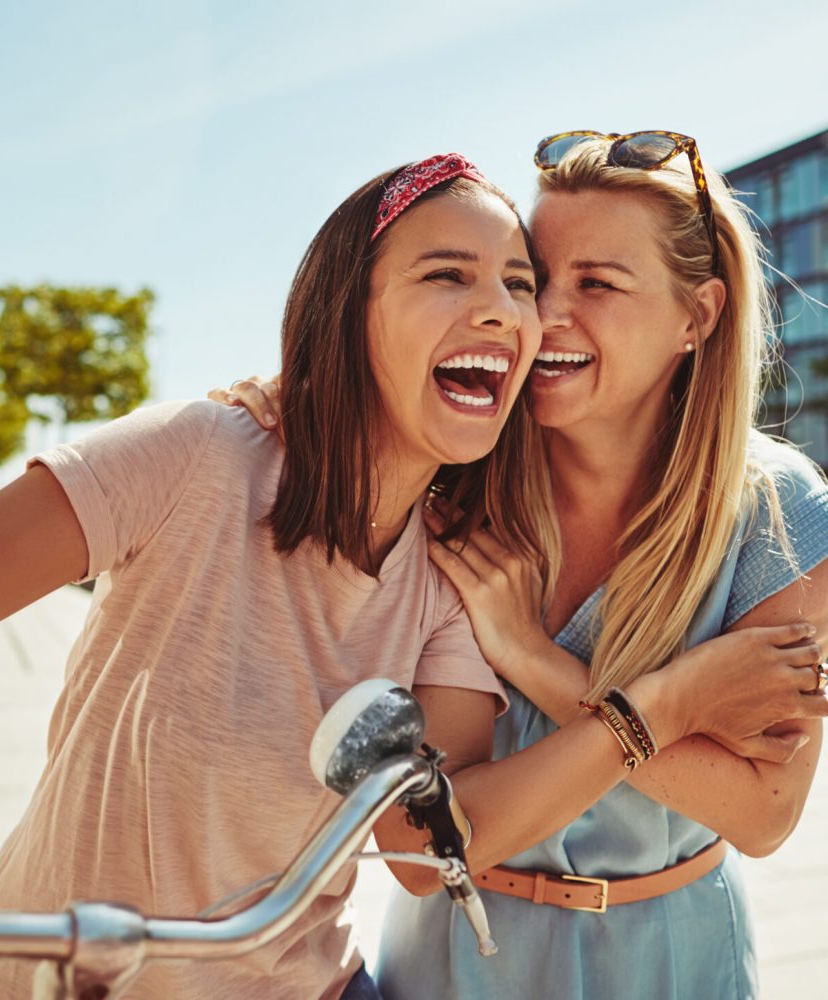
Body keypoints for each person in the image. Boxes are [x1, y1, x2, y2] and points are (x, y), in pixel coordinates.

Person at [0, 154, 534, 1000]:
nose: (499, 310)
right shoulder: (200, 454)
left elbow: (427, 848)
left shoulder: (456, 572)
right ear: (350, 312)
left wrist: (648, 714)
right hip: (61, 976)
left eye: (519, 283)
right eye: (447, 274)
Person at [210, 132, 828, 999]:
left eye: (599, 284)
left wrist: (533, 659)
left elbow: (763, 813)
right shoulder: (454, 484)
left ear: (699, 315)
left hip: (680, 960)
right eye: (538, 279)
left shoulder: (782, 512)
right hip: (459, 959)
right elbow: (426, 846)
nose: (546, 318)